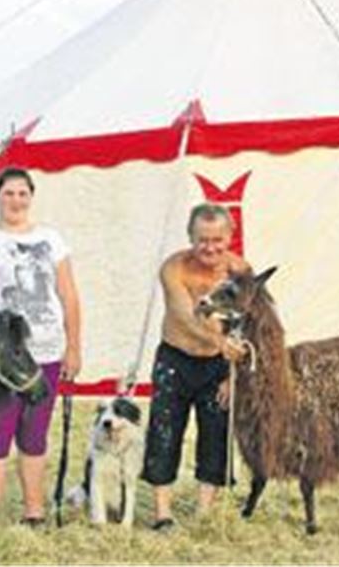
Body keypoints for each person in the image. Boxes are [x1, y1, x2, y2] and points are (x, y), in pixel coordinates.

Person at [0, 166, 82, 526]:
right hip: (4, 357)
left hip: (47, 351)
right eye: (9, 193)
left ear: (31, 197)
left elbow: (69, 294)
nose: (16, 200)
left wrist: (73, 346)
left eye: (22, 193)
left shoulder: (52, 239)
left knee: (35, 434)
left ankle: (33, 512)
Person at [140, 203, 249, 530]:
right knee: (164, 430)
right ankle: (162, 514)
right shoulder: (174, 268)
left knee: (215, 433)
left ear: (230, 237)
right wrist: (220, 342)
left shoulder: (241, 271)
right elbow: (183, 315)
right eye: (203, 239)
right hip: (176, 359)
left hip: (218, 366)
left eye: (217, 239)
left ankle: (204, 512)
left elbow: (248, 322)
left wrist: (236, 375)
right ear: (191, 237)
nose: (210, 247)